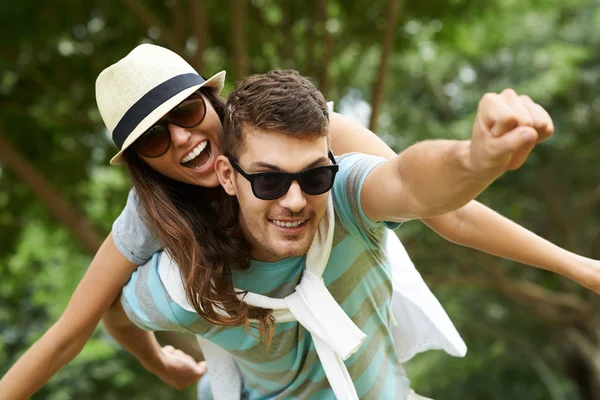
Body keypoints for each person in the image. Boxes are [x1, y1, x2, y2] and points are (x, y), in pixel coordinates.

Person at [0, 44, 597, 399]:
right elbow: (77, 327)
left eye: (185, 111)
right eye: (154, 137)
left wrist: (577, 264)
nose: (182, 137)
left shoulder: (307, 137)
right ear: (141, 164)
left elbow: (436, 202)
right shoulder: (154, 222)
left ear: (213, 102)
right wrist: (159, 360)